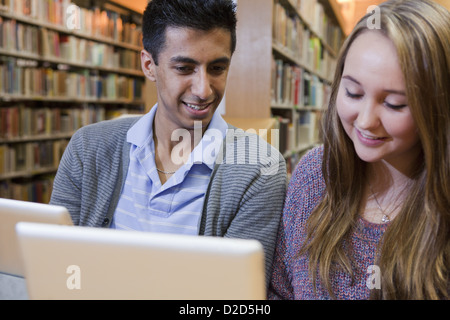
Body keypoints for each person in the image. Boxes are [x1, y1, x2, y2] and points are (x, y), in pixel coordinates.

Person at [50, 0, 286, 286]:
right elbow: (57, 268)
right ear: (149, 65)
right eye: (185, 68)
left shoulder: (259, 169)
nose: (203, 89)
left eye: (217, 68)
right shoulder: (88, 149)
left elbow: (234, 295)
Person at [268, 0, 449, 300]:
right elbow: (280, 290)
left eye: (394, 104)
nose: (365, 121)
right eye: (353, 92)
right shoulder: (315, 175)